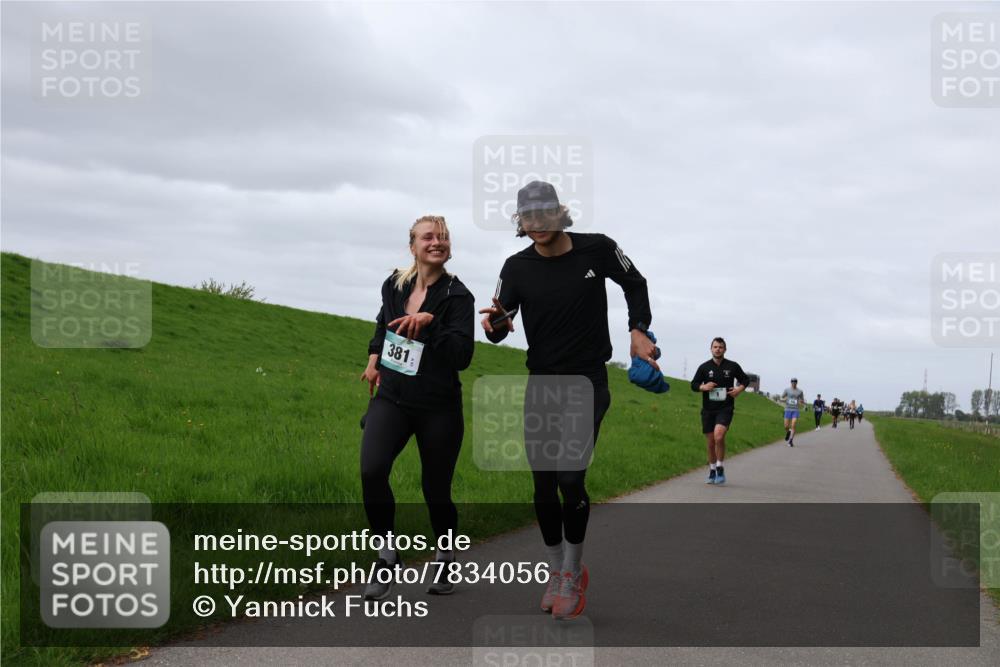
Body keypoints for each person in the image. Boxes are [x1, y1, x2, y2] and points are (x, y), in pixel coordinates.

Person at [480, 180, 655, 621]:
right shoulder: (515, 267)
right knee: (542, 485)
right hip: (541, 383)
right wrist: (496, 326)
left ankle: (574, 573)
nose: (536, 224)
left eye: (543, 214)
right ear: (520, 222)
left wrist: (638, 329)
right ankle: (556, 571)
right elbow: (500, 323)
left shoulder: (597, 249)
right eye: (527, 217)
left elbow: (635, 281)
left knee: (570, 480)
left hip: (587, 381)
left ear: (560, 213)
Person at [359, 215, 475, 600]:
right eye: (428, 237)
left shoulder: (458, 297)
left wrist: (431, 325)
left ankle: (444, 553)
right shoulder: (395, 283)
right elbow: (383, 325)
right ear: (413, 246)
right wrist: (375, 357)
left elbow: (463, 356)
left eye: (442, 237)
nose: (436, 242)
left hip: (438, 406)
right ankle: (386, 553)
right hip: (392, 397)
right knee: (372, 469)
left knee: (435, 489)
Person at [690, 337, 749, 485]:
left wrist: (738, 390)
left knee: (719, 436)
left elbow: (745, 380)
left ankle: (720, 467)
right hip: (708, 409)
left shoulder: (732, 366)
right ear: (711, 349)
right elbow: (694, 384)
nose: (718, 349)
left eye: (720, 347)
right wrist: (703, 387)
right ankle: (712, 470)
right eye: (715, 347)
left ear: (725, 349)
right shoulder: (704, 367)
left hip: (725, 408)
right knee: (710, 442)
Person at [780, 378, 805, 446]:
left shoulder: (800, 391)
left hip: (795, 410)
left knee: (793, 424)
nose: (794, 383)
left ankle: (790, 441)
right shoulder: (787, 390)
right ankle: (788, 432)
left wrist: (801, 402)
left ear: (797, 383)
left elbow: (802, 400)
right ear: (791, 382)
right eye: (792, 382)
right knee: (786, 426)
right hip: (787, 409)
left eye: (795, 382)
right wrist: (784, 399)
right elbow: (781, 398)